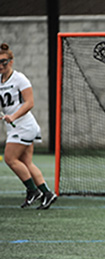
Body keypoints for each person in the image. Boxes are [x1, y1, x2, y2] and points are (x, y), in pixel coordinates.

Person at [0, 43, 57, 209]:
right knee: (26, 162)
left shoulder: (19, 78)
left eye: (4, 62)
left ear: (11, 61)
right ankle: (47, 193)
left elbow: (30, 102)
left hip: (23, 125)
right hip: (14, 126)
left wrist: (14, 116)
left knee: (10, 158)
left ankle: (33, 190)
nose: (1, 66)